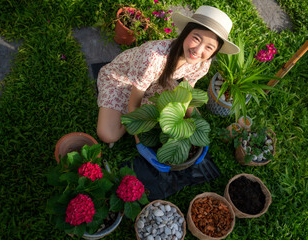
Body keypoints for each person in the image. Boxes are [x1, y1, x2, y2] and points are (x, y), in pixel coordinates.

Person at [96, 5, 240, 147]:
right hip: (123, 82)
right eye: (196, 38)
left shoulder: (202, 63)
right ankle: (121, 116)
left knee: (183, 112)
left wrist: (194, 124)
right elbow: (134, 103)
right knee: (108, 134)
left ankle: (124, 116)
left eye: (209, 47)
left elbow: (186, 91)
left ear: (214, 52)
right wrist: (140, 140)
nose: (198, 50)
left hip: (157, 85)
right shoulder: (153, 57)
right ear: (185, 33)